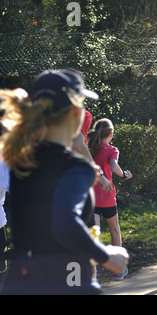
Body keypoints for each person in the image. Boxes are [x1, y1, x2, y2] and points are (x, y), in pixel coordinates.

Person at [0, 69, 129, 295]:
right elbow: (63, 223)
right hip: (66, 280)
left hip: (19, 282)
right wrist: (107, 256)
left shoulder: (16, 159)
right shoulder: (75, 168)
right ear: (76, 113)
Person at [88, 118, 132, 281]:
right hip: (107, 197)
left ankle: (92, 271)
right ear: (111, 134)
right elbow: (114, 167)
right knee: (114, 230)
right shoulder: (112, 149)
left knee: (95, 233)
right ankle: (119, 269)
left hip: (91, 197)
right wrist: (125, 174)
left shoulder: (90, 148)